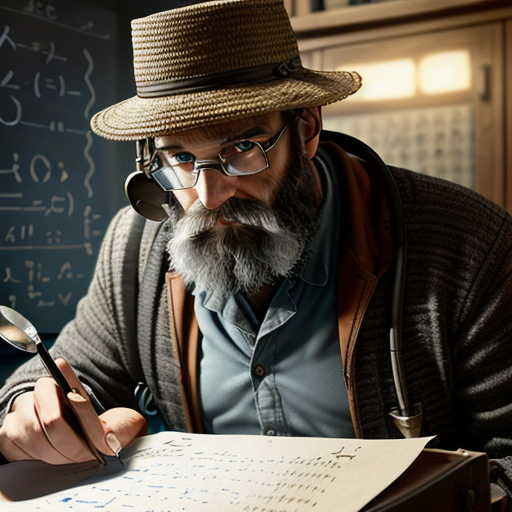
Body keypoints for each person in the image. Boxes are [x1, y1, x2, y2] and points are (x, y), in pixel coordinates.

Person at [0, 0, 511, 503]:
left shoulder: (467, 243)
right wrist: (31, 412)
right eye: (178, 157)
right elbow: (60, 376)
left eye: (240, 149)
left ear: (307, 128)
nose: (208, 195)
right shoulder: (136, 245)